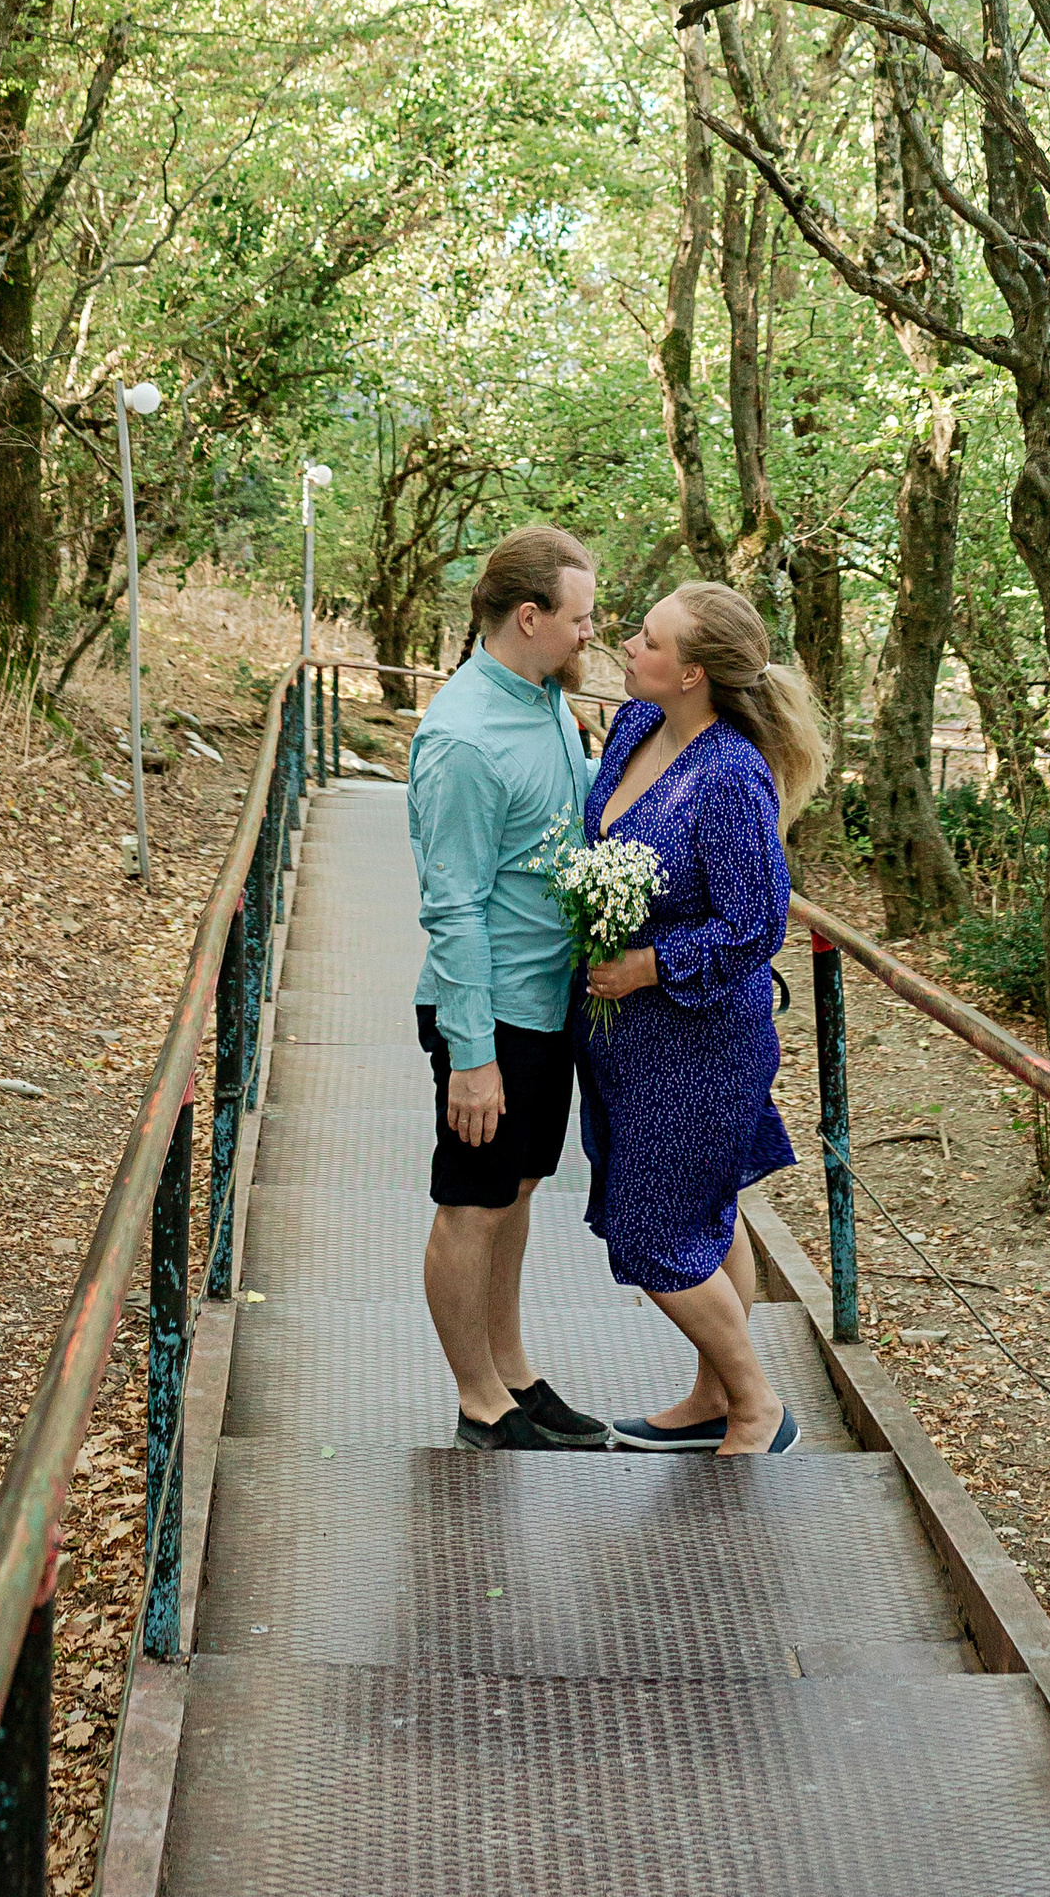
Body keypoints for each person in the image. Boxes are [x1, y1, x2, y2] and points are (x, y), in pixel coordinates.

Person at [578, 579, 829, 1457]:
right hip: (623, 1039)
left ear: (691, 673)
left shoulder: (728, 777)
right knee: (702, 1216)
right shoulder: (636, 726)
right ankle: (712, 1394)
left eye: (648, 639)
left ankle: (758, 1406)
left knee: (653, 1232)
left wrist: (649, 963)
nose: (627, 646)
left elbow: (757, 922)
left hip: (700, 1039)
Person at [407, 523, 613, 1451]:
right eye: (580, 619)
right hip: (486, 1011)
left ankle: (513, 1371)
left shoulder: (542, 700)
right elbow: (451, 909)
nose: (590, 637)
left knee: (518, 1190)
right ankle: (477, 1400)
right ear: (529, 617)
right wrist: (473, 1057)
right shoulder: (461, 738)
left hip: (546, 1000)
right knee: (472, 1203)